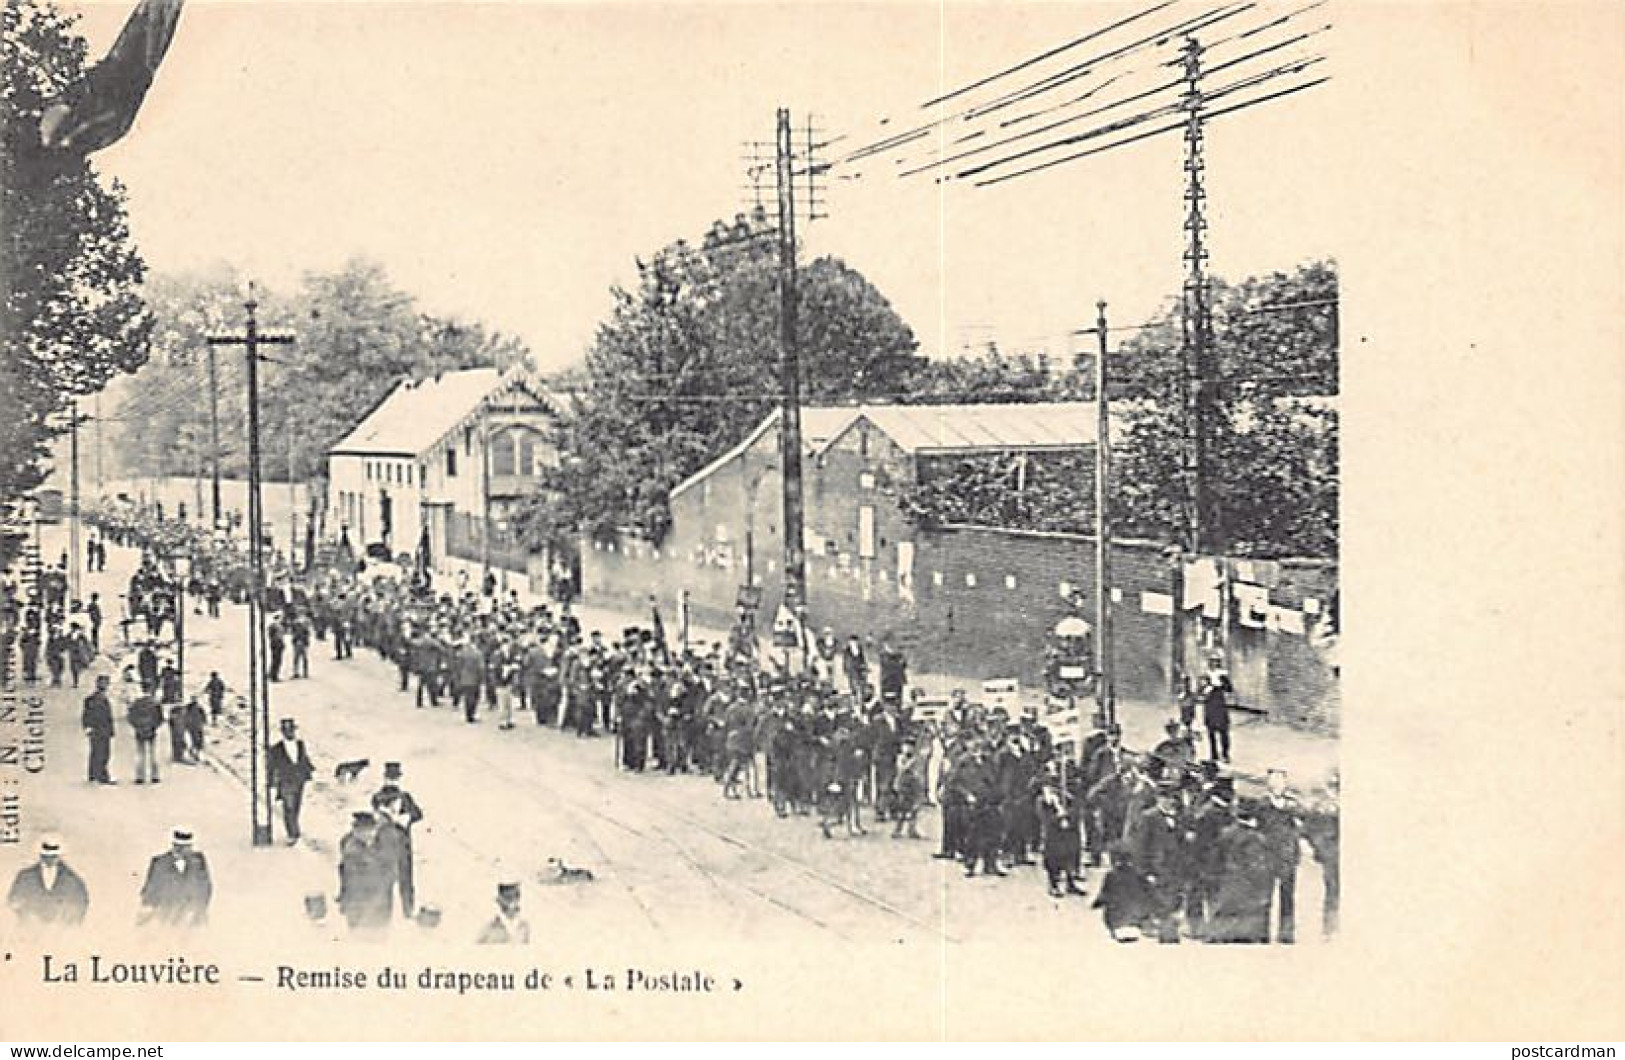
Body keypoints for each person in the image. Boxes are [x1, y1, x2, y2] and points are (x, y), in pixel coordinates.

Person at [1258, 768, 1303, 944]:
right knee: (1264, 898)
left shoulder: (1293, 805)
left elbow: (1299, 829)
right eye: (1273, 782)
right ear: (1268, 785)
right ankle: (1262, 935)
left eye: (1281, 782)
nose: (1277, 786)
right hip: (1267, 857)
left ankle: (1286, 935)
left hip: (1287, 857)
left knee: (1288, 898)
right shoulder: (1261, 805)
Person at [6, 835, 90, 928]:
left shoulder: (73, 880)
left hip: (62, 934)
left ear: (59, 855)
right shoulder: (25, 877)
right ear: (40, 855)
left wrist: (66, 922)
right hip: (30, 932)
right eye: (46, 856)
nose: (49, 859)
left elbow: (81, 905)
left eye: (53, 856)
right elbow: (13, 901)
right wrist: (27, 916)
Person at [138, 828, 212, 929]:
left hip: (193, 916)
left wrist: (199, 909)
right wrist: (148, 908)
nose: (184, 851)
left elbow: (205, 887)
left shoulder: (198, 861)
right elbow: (151, 888)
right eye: (180, 847)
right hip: (166, 915)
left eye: (187, 847)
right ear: (174, 846)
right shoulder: (159, 862)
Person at [336, 811, 394, 935]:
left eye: (371, 830)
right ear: (356, 831)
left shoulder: (377, 845)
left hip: (378, 904)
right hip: (362, 905)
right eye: (365, 830)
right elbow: (351, 881)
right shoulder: (353, 851)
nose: (370, 834)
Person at [268, 718, 315, 844]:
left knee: (296, 806)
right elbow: (271, 766)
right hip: (285, 781)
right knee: (289, 806)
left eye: (292, 730)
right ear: (283, 732)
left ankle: (294, 829)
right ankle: (293, 833)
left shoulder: (300, 744)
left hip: (299, 779)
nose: (290, 733)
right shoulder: (276, 749)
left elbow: (304, 759)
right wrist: (272, 782)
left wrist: (309, 770)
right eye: (287, 731)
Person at [81, 674, 116, 785]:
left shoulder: (91, 699)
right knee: (102, 753)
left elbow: (85, 715)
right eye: (105, 683)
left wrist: (87, 727)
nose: (106, 685)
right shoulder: (97, 699)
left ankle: (93, 774)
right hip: (101, 730)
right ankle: (102, 776)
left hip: (98, 730)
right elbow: (88, 715)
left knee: (95, 752)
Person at [1199, 656, 1234, 764]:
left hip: (1220, 705)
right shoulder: (1205, 675)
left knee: (1224, 731)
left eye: (1216, 662)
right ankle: (1213, 754)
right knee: (1211, 731)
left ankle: (1225, 754)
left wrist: (1221, 684)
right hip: (1210, 705)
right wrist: (1206, 688)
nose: (1214, 664)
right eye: (1211, 662)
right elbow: (1200, 691)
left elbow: (1229, 689)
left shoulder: (1222, 675)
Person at [126, 687, 163, 785]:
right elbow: (160, 718)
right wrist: (154, 727)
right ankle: (154, 776)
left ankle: (140, 777)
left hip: (139, 732)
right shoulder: (155, 703)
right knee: (153, 754)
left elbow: (130, 717)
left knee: (140, 754)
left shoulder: (136, 703)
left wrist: (136, 727)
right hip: (151, 731)